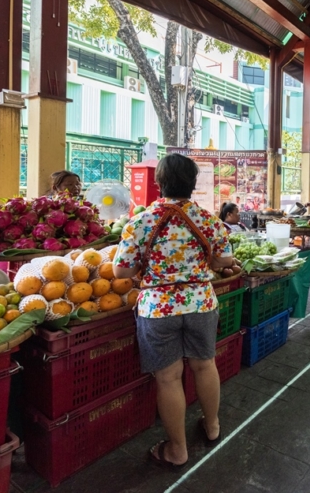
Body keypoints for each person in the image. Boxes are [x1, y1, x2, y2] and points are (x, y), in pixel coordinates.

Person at [113, 154, 235, 467]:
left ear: (159, 183)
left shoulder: (140, 222)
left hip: (158, 309)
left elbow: (121, 273)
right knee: (205, 365)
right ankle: (212, 427)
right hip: (201, 302)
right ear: (193, 184)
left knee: (168, 378)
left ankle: (177, 450)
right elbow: (224, 261)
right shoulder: (209, 220)